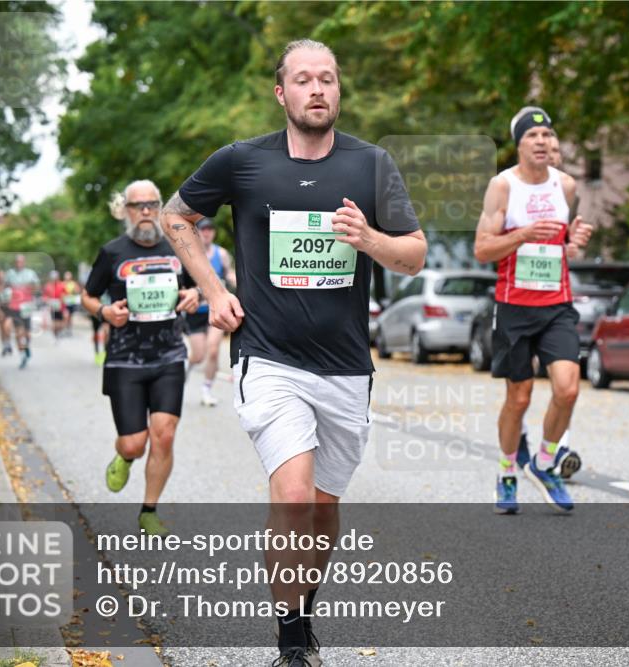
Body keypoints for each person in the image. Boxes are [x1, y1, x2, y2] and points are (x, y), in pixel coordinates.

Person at [161, 39, 426, 667]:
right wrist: (214, 289)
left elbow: (412, 255)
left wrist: (369, 239)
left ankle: (303, 608)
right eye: (304, 79)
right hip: (268, 358)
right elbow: (178, 218)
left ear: (339, 91)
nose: (317, 89)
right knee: (295, 498)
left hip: (344, 368)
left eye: (328, 79)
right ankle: (291, 643)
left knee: (324, 511)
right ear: (281, 93)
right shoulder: (242, 161)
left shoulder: (372, 165)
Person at [474, 106, 593, 515]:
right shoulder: (502, 187)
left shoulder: (567, 186)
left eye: (547, 136)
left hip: (557, 304)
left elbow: (565, 245)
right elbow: (482, 248)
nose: (542, 142)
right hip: (513, 306)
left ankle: (544, 462)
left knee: (568, 388)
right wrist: (522, 233)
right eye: (532, 136)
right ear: (519, 144)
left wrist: (574, 241)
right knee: (519, 398)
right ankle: (508, 472)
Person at [82, 179, 199, 537]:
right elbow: (87, 297)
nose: (146, 211)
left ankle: (149, 510)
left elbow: (202, 283)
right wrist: (104, 313)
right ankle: (125, 456)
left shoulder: (178, 247)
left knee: (163, 435)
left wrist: (194, 294)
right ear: (125, 211)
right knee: (135, 441)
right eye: (138, 206)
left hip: (168, 354)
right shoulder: (112, 252)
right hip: (123, 360)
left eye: (152, 204)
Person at [184, 218, 235, 407]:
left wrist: (239, 281)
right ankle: (184, 374)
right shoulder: (189, 254)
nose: (207, 233)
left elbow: (229, 274)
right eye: (203, 229)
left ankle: (207, 390)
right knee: (197, 355)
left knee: (213, 350)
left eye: (210, 230)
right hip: (196, 310)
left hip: (216, 308)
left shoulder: (221, 254)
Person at [4, 254, 41, 369]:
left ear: (24, 262)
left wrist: (32, 287)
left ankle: (27, 347)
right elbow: (5, 287)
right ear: (15, 263)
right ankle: (22, 356)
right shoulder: (10, 274)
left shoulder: (30, 273)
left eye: (21, 262)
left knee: (27, 333)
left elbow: (37, 287)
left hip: (26, 306)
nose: (19, 263)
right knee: (18, 332)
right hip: (14, 306)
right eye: (17, 262)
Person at [43, 271, 66, 340]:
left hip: (61, 307)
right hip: (52, 307)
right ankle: (55, 334)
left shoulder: (62, 285)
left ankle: (58, 332)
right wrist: (47, 300)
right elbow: (44, 296)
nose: (54, 279)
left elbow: (65, 295)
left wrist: (63, 298)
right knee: (54, 322)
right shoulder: (48, 286)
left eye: (56, 277)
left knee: (60, 323)